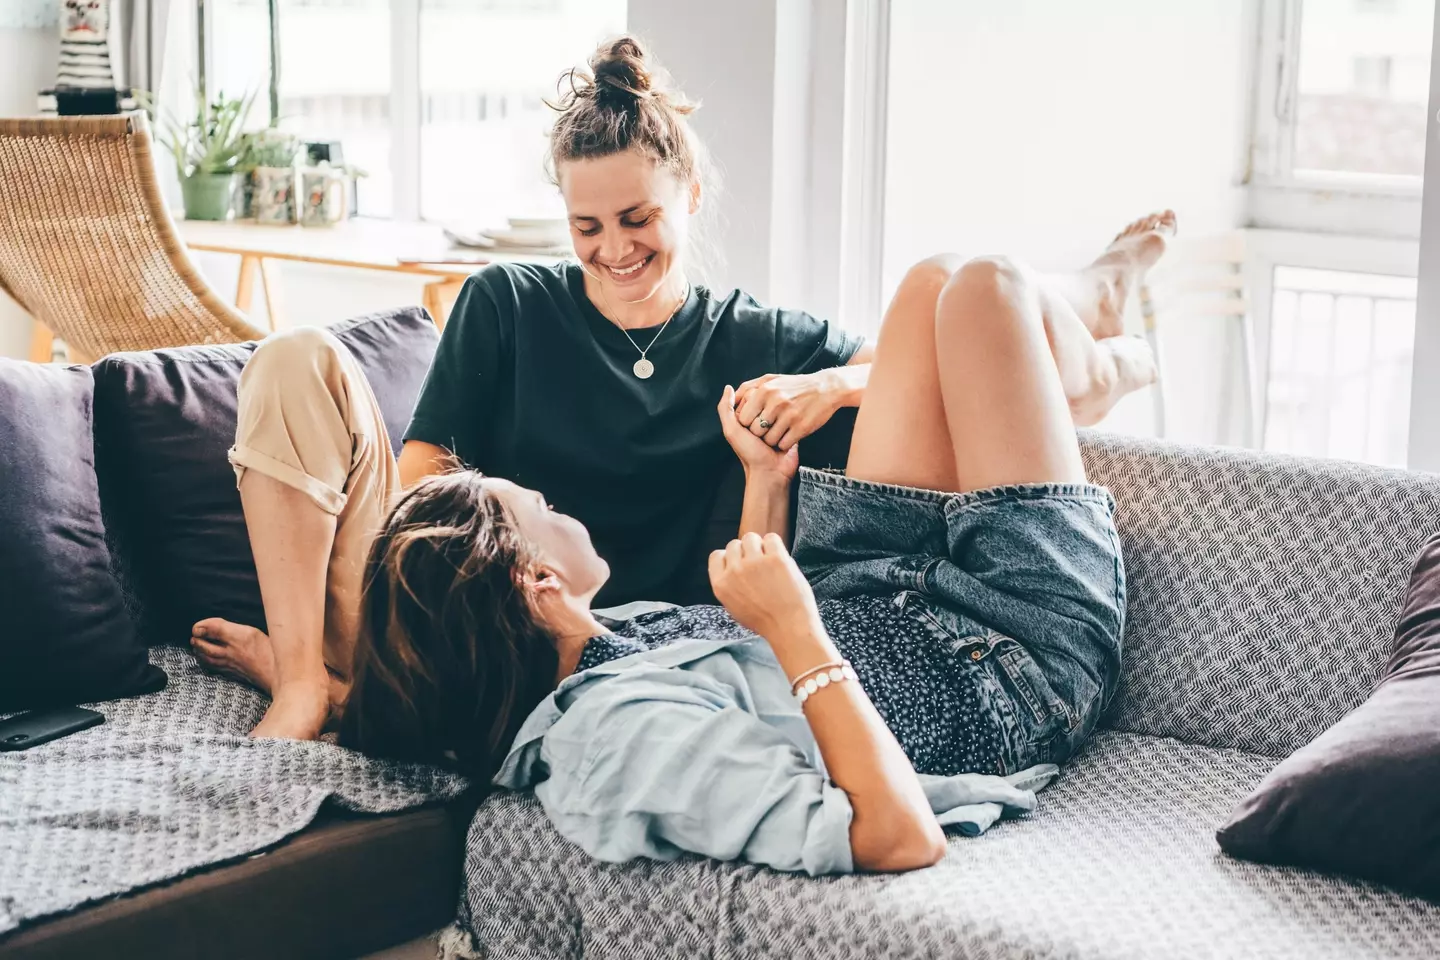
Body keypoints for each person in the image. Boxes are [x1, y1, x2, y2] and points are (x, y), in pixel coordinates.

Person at [189, 34, 1167, 743]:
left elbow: (933, 373)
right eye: (585, 228)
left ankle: (1101, 324)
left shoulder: (760, 340)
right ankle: (312, 683)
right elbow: (427, 499)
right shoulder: (509, 305)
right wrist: (469, 582)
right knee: (293, 357)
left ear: (688, 194)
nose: (613, 249)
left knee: (960, 297)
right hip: (473, 610)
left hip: (607, 651)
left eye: (636, 217)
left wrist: (830, 385)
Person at [335, 202, 1172, 873]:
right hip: (1012, 659)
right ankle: (1103, 361)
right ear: (537, 582)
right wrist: (798, 631)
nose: (557, 503)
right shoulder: (618, 743)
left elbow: (742, 646)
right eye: (539, 507)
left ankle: (1089, 334)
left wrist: (765, 485)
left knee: (933, 284)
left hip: (868, 587)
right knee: (987, 286)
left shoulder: (589, 646)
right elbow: (897, 836)